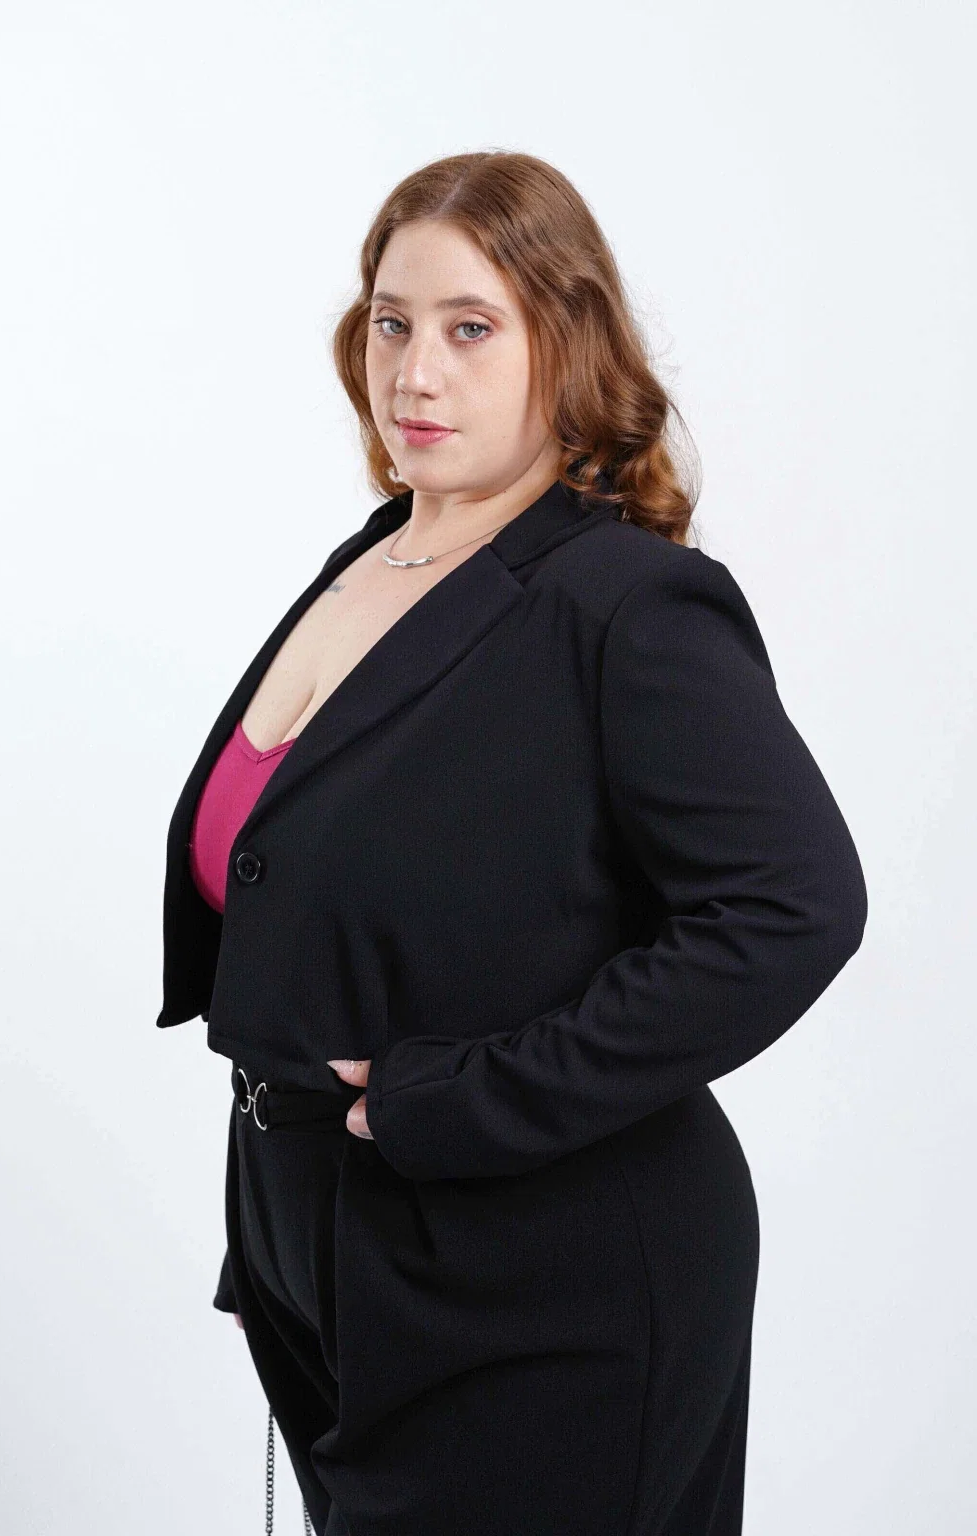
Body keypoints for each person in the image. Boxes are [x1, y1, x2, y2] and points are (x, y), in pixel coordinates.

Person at [155, 150, 867, 1536]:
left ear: (568, 341)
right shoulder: (371, 565)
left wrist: (463, 1099)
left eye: (471, 327)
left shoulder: (626, 603)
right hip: (334, 1256)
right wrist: (284, 1217)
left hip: (547, 1281)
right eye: (392, 322)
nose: (415, 372)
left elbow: (793, 908)